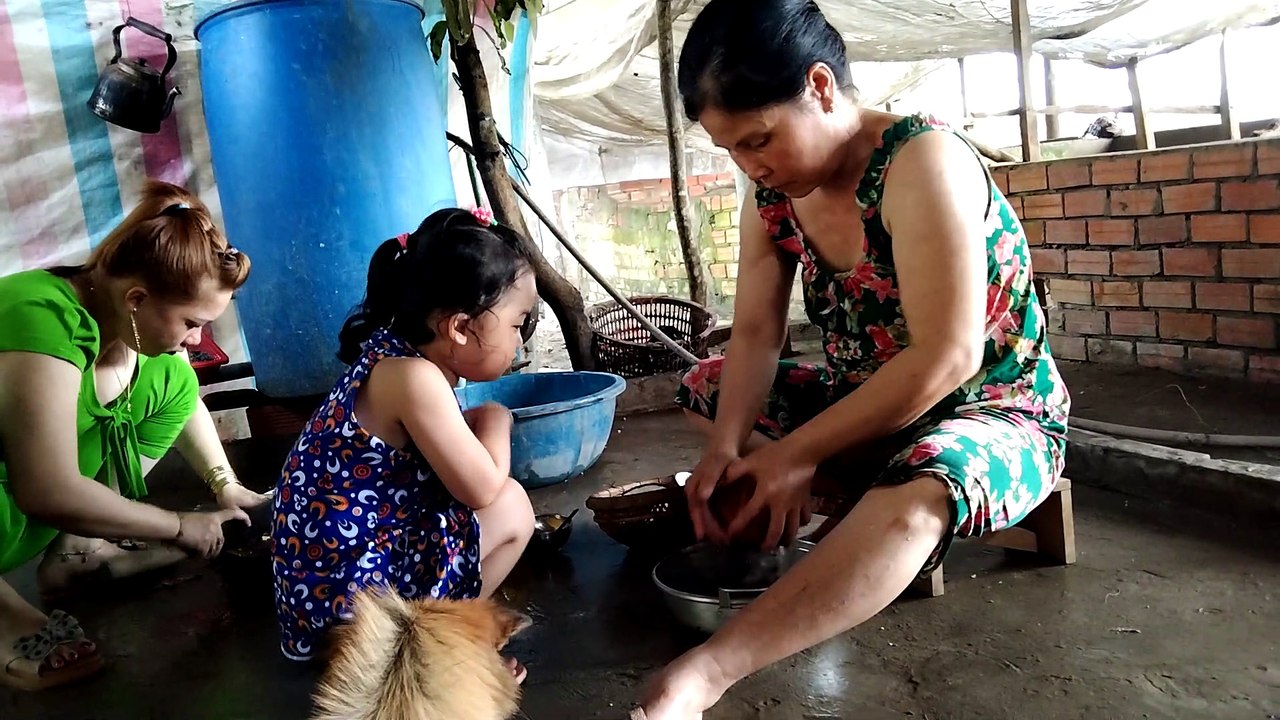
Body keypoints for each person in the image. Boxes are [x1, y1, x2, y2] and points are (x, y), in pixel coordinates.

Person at [634, 1, 1071, 717]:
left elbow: (948, 358)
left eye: (760, 139)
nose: (752, 166)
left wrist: (792, 453)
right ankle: (841, 510)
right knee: (707, 386)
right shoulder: (774, 195)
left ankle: (710, 671)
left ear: (821, 86)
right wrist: (725, 448)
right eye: (733, 152)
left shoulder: (919, 160)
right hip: (866, 408)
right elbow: (752, 337)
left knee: (933, 475)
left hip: (991, 411)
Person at [0, 180, 272, 691]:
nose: (197, 338)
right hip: (14, 504)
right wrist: (174, 525)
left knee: (173, 379)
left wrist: (225, 486)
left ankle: (80, 550)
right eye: (192, 322)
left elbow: (182, 393)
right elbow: (44, 489)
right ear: (138, 297)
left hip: (24, 511)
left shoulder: (120, 321)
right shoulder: (42, 316)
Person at [271, 207, 536, 678]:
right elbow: (480, 489)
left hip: (328, 589)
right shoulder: (414, 377)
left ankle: (433, 643)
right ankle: (435, 655)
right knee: (511, 505)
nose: (521, 342)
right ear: (458, 326)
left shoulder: (391, 356)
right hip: (354, 615)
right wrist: (497, 418)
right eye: (519, 324)